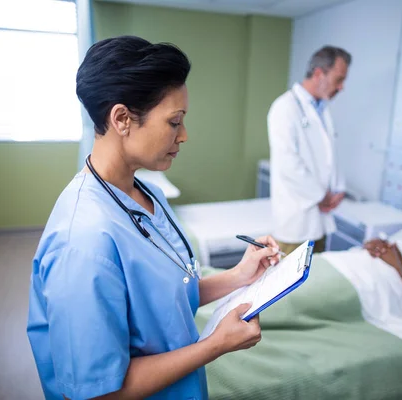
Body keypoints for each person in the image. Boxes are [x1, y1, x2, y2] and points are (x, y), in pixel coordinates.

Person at [26, 36, 281, 400]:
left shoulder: (149, 195)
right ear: (122, 119)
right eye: (174, 122)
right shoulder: (82, 243)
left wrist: (240, 276)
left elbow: (165, 297)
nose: (184, 135)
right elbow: (98, 393)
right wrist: (215, 344)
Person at [267, 45, 352, 255]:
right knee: (291, 283)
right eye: (339, 79)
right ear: (318, 74)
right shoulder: (284, 108)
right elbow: (288, 164)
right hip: (296, 221)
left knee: (316, 278)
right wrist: (320, 196)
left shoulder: (322, 109)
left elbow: (329, 155)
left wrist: (338, 188)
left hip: (319, 219)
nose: (342, 87)